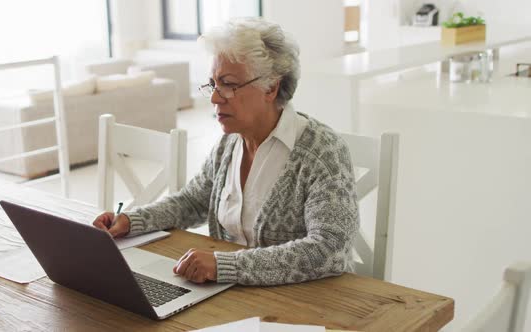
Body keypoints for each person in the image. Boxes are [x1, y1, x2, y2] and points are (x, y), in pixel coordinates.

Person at [93, 17, 359, 286]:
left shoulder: (323, 151)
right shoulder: (230, 143)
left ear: (270, 87)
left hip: (305, 303)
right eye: (213, 84)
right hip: (231, 295)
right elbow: (193, 201)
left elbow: (328, 250)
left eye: (229, 84)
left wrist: (225, 266)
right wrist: (131, 221)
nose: (214, 98)